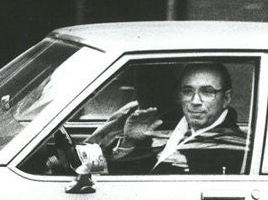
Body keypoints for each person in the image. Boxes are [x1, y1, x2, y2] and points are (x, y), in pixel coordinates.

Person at [91, 63, 248, 175]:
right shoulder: (162, 124)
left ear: (226, 98)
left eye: (207, 92)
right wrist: (129, 143)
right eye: (187, 91)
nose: (195, 101)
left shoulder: (237, 147)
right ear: (179, 96)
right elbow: (121, 180)